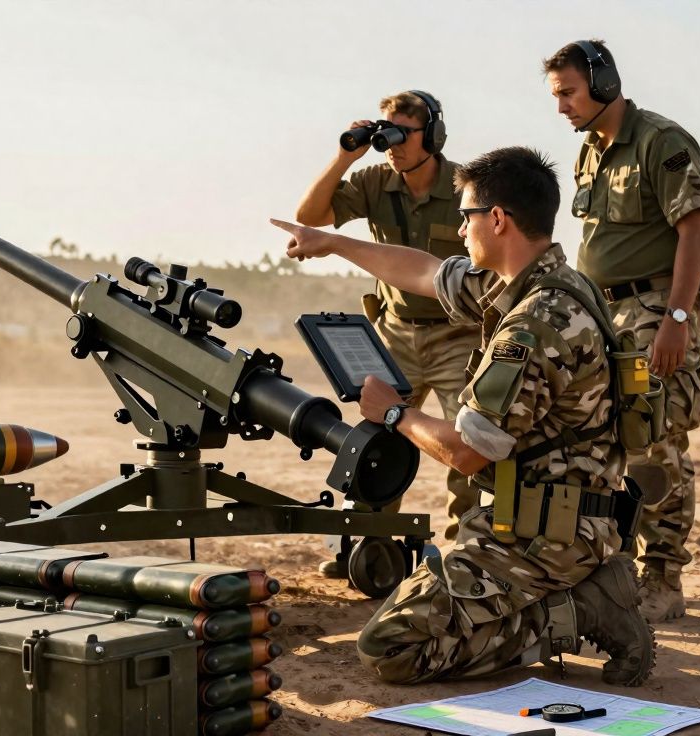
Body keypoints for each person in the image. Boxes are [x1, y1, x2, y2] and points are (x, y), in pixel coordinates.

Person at [273, 146, 654, 686]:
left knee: (390, 648)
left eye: (466, 216)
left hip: (546, 535)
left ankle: (578, 610)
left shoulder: (535, 323)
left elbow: (467, 451)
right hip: (565, 517)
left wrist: (394, 413)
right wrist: (332, 242)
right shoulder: (553, 285)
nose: (459, 229)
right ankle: (583, 590)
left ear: (497, 219)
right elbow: (425, 272)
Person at [545, 40, 700, 622]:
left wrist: (676, 319)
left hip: (652, 310)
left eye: (569, 92)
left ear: (605, 83)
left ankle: (664, 577)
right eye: (556, 95)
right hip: (602, 313)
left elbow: (695, 231)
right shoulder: (590, 151)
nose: (562, 106)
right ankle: (615, 567)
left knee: (655, 438)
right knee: (603, 440)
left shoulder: (660, 141)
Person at [294, 90, 481, 575]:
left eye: (403, 135)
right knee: (376, 439)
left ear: (433, 136)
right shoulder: (375, 180)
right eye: (386, 136)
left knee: (468, 440)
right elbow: (311, 216)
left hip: (458, 334)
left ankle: (468, 554)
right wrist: (345, 156)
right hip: (395, 333)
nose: (392, 147)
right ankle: (367, 548)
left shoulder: (465, 189)